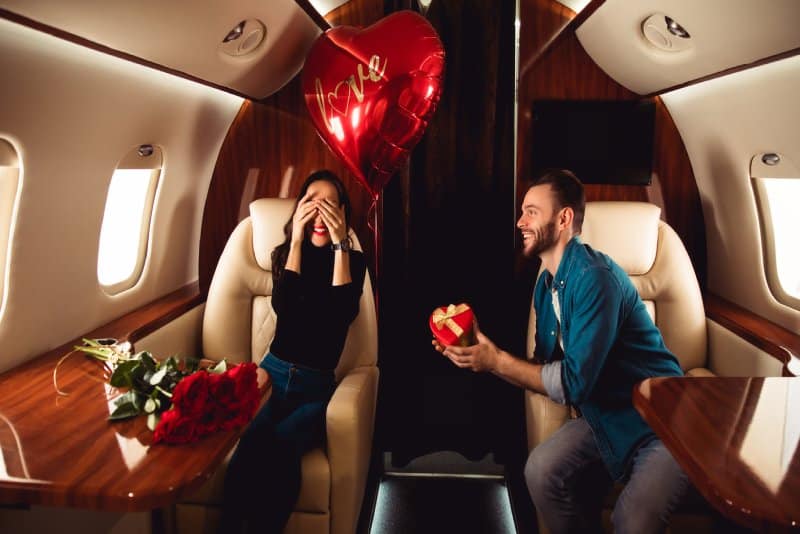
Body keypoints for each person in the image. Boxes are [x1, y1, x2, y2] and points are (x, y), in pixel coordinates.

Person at [433, 169, 689, 534]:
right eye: (523, 211)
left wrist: (496, 361)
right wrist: (481, 355)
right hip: (606, 415)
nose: (520, 221)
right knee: (540, 472)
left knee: (633, 519)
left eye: (532, 212)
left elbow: (572, 384)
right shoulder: (546, 286)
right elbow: (544, 369)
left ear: (564, 218)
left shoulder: (596, 278)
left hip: (659, 422)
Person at [219, 170, 366, 534]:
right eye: (312, 203)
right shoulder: (284, 255)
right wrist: (297, 240)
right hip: (273, 373)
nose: (321, 213)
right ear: (299, 210)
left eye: (331, 205)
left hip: (315, 388)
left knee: (284, 447)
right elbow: (286, 307)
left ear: (343, 214)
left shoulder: (353, 264)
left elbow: (340, 315)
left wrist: (339, 245)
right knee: (250, 446)